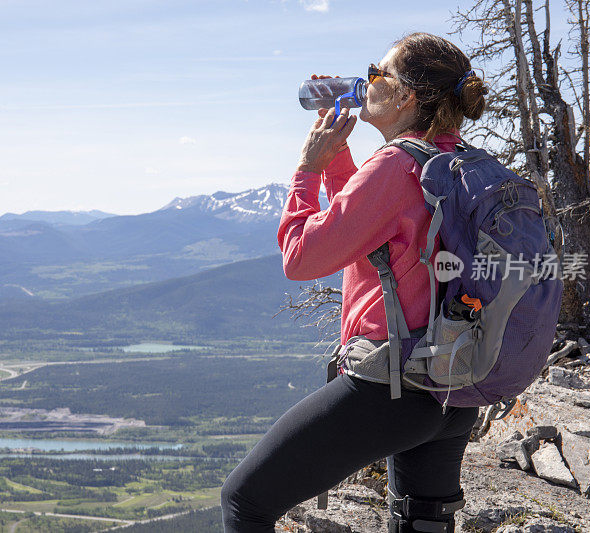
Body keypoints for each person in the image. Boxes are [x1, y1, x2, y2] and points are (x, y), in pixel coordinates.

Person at [221, 32, 489, 533]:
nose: (367, 80)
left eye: (377, 72)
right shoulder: (452, 161)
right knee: (422, 522)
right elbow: (368, 231)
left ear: (407, 97)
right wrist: (337, 155)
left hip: (392, 387)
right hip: (453, 383)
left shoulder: (395, 165)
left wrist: (307, 168)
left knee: (244, 502)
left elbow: (301, 257)